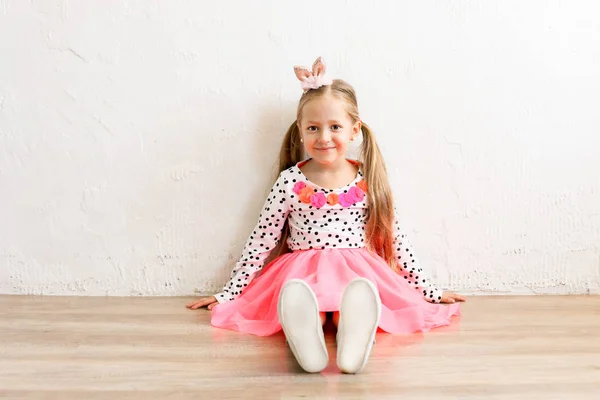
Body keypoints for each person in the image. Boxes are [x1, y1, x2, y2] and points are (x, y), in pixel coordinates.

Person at [187, 57, 465, 374]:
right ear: (300, 132)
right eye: (313, 128)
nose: (324, 137)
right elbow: (262, 240)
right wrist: (229, 292)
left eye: (335, 127)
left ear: (354, 130)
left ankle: (353, 342)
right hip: (301, 271)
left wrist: (429, 291)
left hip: (360, 272)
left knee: (354, 303)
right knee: (311, 306)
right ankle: (307, 344)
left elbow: (395, 238)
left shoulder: (367, 178)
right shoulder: (291, 181)